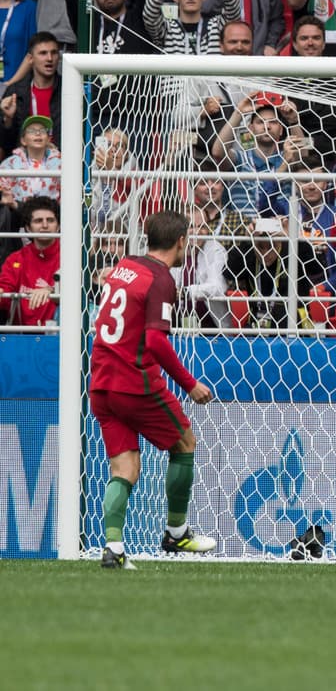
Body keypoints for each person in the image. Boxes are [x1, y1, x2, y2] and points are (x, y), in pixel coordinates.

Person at [89, 209, 217, 570]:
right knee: (185, 442)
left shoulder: (124, 266)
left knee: (124, 467)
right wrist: (190, 385)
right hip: (135, 383)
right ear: (181, 241)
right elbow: (156, 342)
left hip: (101, 383)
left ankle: (113, 547)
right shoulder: (162, 279)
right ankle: (177, 533)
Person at [0, 194, 60, 327]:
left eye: (50, 220)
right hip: (21, 338)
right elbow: (4, 291)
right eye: (38, 221)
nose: (45, 225)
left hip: (61, 337)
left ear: (58, 226)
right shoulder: (15, 259)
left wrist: (52, 291)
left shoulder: (69, 257)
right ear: (28, 228)